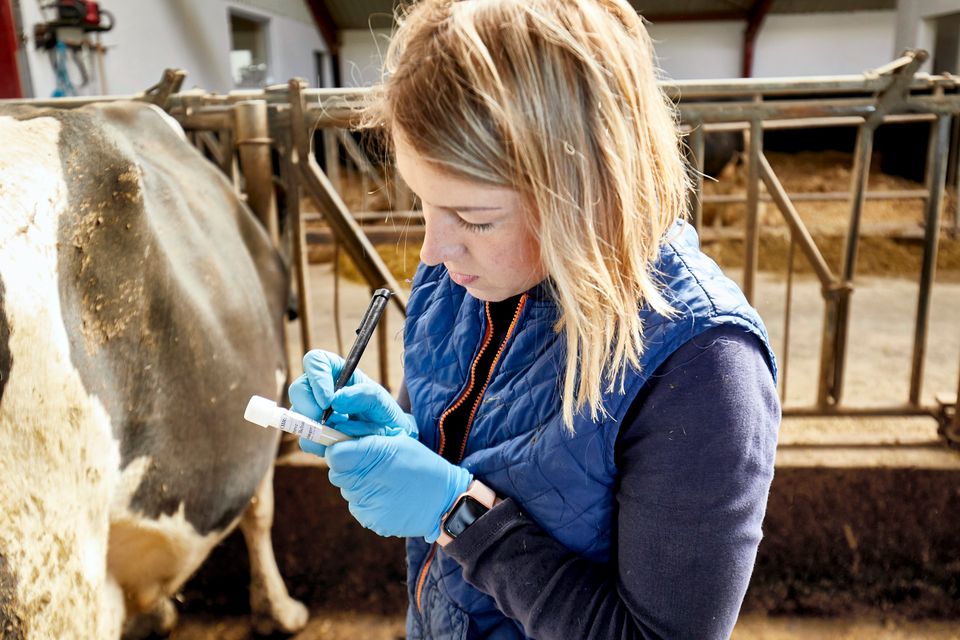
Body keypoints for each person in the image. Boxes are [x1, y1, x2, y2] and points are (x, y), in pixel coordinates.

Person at [289, 0, 780, 638]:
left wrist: (460, 515)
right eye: (425, 202)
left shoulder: (703, 367)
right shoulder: (459, 277)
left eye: (474, 217)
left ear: (584, 187)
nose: (432, 250)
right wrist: (393, 435)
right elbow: (464, 446)